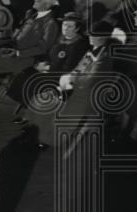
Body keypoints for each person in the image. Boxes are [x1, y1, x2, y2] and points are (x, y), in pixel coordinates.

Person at [25, 19, 117, 150]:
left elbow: (90, 80)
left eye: (95, 35)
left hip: (87, 96)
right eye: (90, 34)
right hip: (75, 89)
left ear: (104, 38)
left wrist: (72, 80)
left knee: (55, 108)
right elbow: (78, 69)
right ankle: (34, 131)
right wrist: (68, 78)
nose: (91, 37)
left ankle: (46, 140)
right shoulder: (92, 51)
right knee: (42, 98)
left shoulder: (104, 57)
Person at [7, 12, 89, 127]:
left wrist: (49, 69)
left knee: (35, 82)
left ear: (77, 28)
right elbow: (48, 54)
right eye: (64, 25)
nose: (65, 28)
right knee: (25, 74)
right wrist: (41, 64)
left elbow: (70, 67)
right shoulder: (60, 39)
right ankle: (28, 108)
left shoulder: (79, 45)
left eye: (70, 26)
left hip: (62, 77)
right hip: (49, 69)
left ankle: (30, 116)